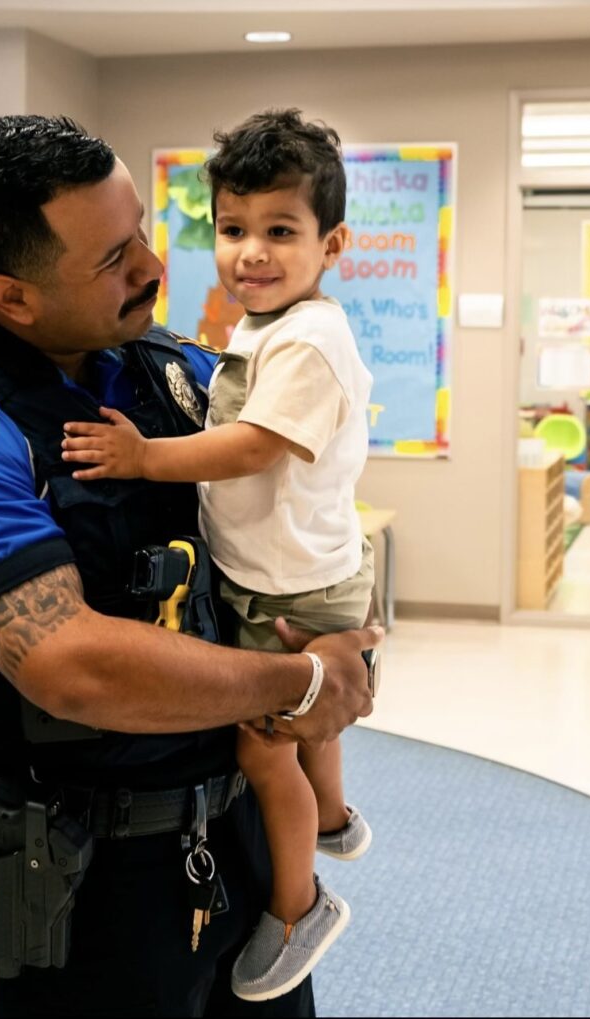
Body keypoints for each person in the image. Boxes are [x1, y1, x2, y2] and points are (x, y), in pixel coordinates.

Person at [0, 114, 381, 1018]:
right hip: (89, 876)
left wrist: (343, 632)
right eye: (113, 258)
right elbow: (73, 665)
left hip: (244, 832)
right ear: (13, 297)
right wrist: (302, 680)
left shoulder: (172, 371)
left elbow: (301, 507)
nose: (151, 265)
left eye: (141, 229)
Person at [61, 109, 374, 1002]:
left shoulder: (309, 337)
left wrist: (144, 457)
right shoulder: (264, 327)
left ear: (333, 242)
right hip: (290, 574)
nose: (252, 253)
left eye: (282, 231)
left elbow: (251, 447)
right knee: (311, 721)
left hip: (297, 588)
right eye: (234, 230)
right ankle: (339, 817)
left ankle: (298, 904)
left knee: (266, 746)